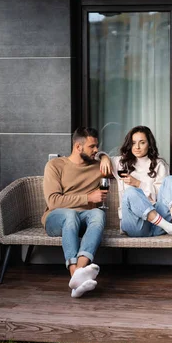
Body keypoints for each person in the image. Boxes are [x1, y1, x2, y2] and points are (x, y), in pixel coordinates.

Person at [43, 127, 108, 298]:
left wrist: (105, 156)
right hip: (55, 218)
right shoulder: (55, 165)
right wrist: (88, 197)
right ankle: (76, 273)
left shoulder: (97, 165)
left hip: (84, 219)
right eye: (92, 147)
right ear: (78, 147)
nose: (96, 150)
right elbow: (53, 201)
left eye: (97, 146)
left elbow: (123, 164)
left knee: (99, 214)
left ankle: (78, 273)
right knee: (70, 215)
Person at [101, 126, 172, 244]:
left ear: (149, 144)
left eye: (142, 142)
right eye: (133, 143)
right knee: (130, 192)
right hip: (136, 226)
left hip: (157, 225)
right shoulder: (121, 163)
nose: (137, 147)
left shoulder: (159, 165)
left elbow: (163, 196)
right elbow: (94, 156)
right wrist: (104, 157)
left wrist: (139, 183)